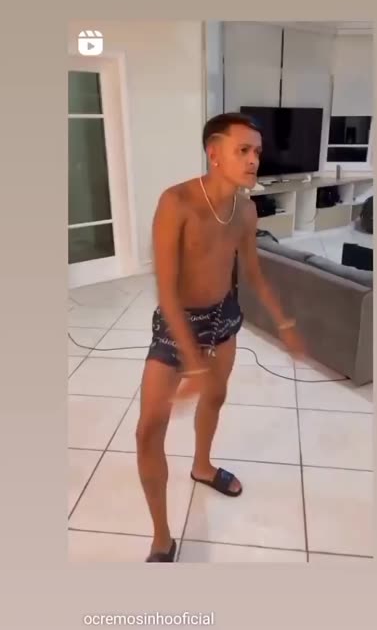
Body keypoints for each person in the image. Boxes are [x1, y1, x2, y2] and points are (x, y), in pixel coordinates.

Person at [136, 112, 308, 562]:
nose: (254, 160)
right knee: (147, 431)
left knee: (215, 397)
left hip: (224, 317)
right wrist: (192, 361)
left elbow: (252, 273)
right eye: (243, 150)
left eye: (257, 152)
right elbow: (166, 290)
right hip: (177, 322)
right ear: (214, 153)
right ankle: (161, 538)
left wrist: (285, 324)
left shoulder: (246, 210)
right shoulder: (176, 202)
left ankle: (202, 466)